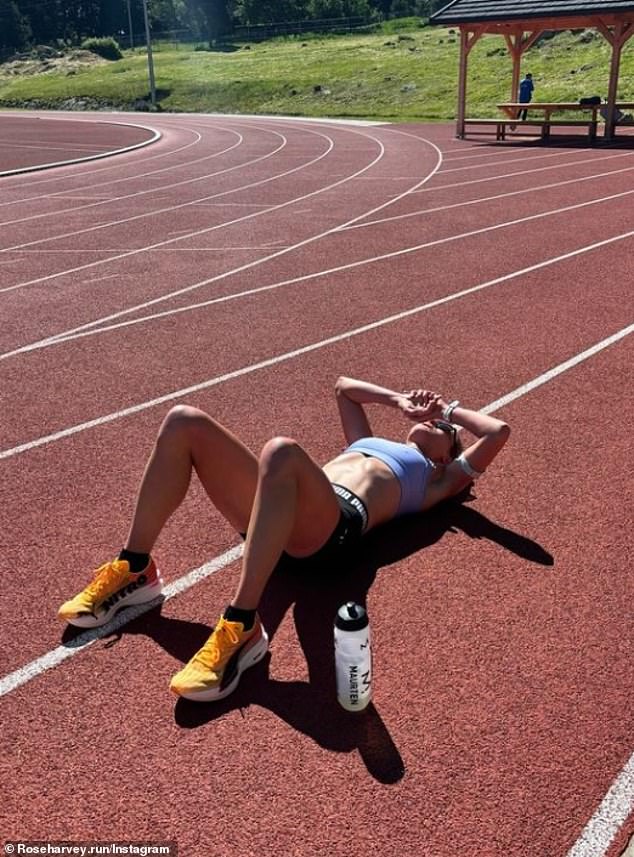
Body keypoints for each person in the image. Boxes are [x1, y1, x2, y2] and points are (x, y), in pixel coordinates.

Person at [58, 376, 510, 702]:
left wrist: (448, 413)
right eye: (438, 423)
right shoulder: (366, 442)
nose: (437, 427)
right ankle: (136, 567)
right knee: (184, 421)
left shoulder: (437, 482)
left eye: (446, 435)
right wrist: (401, 401)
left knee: (281, 450)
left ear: (446, 457)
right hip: (282, 512)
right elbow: (343, 387)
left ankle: (242, 626)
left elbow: (498, 431)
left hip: (332, 533)